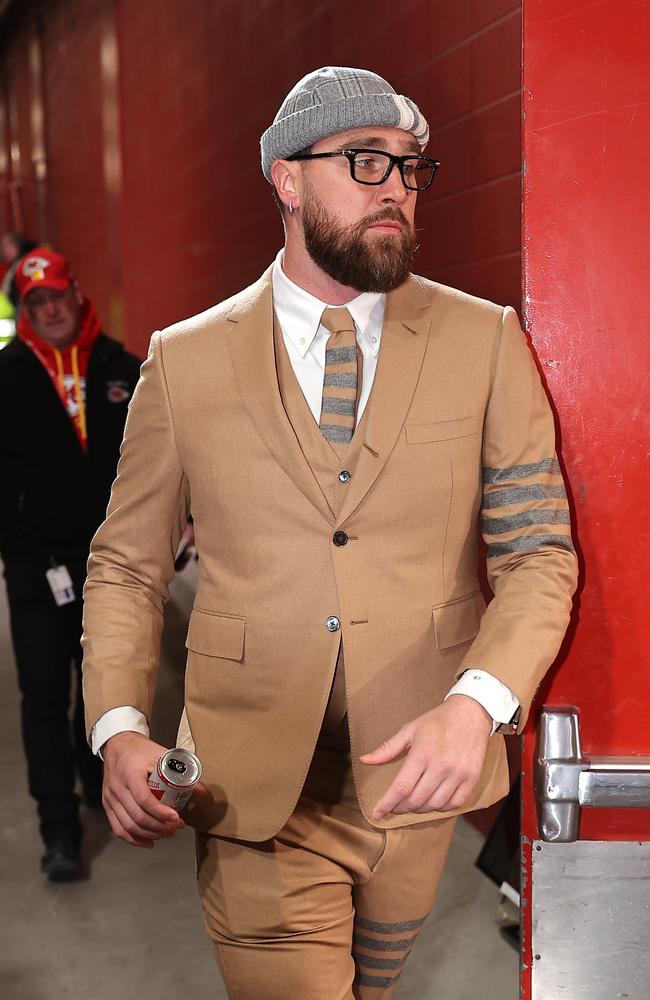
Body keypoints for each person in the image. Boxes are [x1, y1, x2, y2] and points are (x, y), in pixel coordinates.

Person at [82, 67, 578, 997]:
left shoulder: (485, 341)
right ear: (286, 178)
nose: (395, 186)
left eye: (409, 167)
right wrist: (116, 725)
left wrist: (480, 703)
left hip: (417, 779)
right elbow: (125, 564)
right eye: (363, 161)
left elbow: (538, 552)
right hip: (251, 783)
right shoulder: (184, 362)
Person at [0, 247, 141, 881]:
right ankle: (58, 829)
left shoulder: (121, 366)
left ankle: (95, 779)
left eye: (57, 295)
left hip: (114, 565)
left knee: (102, 682)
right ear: (24, 310)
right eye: (36, 302)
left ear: (75, 294)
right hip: (38, 566)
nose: (50, 309)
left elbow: (161, 457)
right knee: (43, 694)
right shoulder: (6, 376)